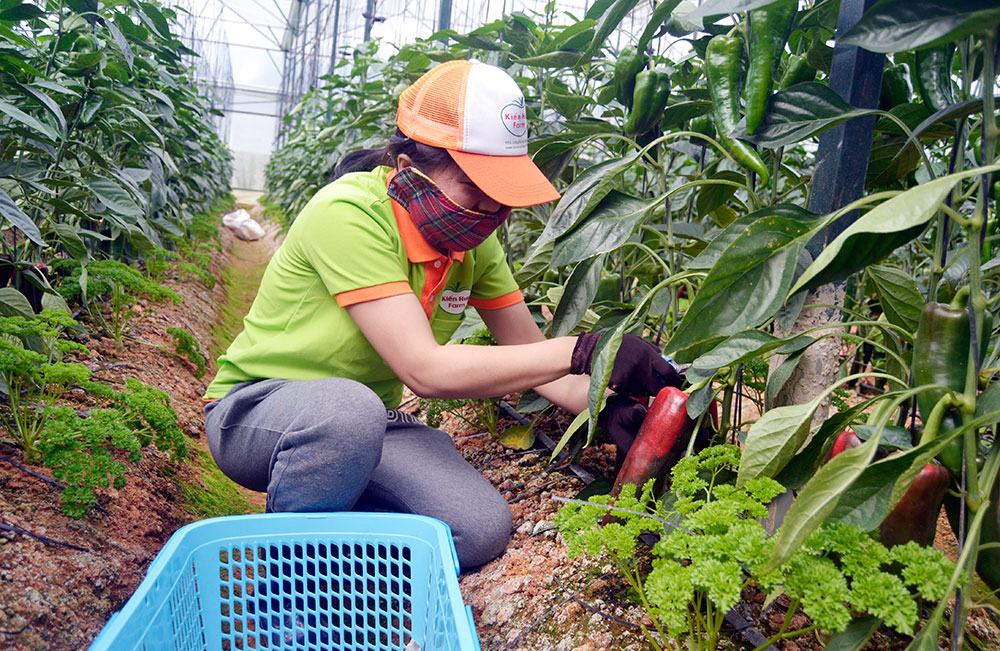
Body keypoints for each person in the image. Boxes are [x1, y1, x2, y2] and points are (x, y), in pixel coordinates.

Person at [203, 60, 680, 570]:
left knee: (476, 529)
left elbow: (531, 355)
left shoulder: (474, 243)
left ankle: (347, 561)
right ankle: (291, 595)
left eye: (500, 198)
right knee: (346, 413)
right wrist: (585, 349)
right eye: (475, 190)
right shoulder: (348, 213)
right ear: (410, 169)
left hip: (368, 423)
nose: (490, 211)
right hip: (258, 413)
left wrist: (604, 405)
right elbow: (424, 370)